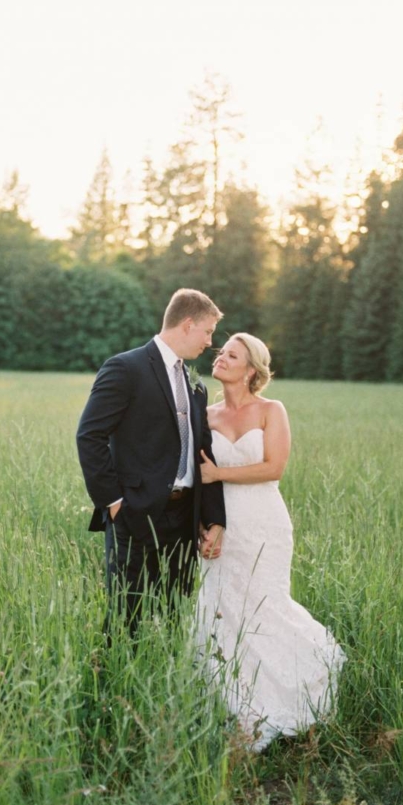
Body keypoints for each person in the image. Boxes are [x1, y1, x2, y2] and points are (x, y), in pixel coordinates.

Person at [195, 332, 345, 752]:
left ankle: (302, 697)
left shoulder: (271, 410)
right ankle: (244, 713)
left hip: (263, 523)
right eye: (221, 351)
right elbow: (198, 482)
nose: (221, 358)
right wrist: (203, 527)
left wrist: (219, 475)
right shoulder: (205, 415)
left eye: (233, 355)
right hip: (222, 528)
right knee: (224, 613)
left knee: (266, 607)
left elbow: (274, 467)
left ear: (251, 370)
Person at [77, 288, 227, 637]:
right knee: (125, 616)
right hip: (135, 513)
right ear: (188, 324)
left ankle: (164, 680)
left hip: (184, 518)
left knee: (177, 616)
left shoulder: (196, 385)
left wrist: (213, 517)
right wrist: (114, 503)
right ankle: (114, 685)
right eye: (207, 332)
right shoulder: (125, 367)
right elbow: (90, 436)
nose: (209, 342)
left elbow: (204, 452)